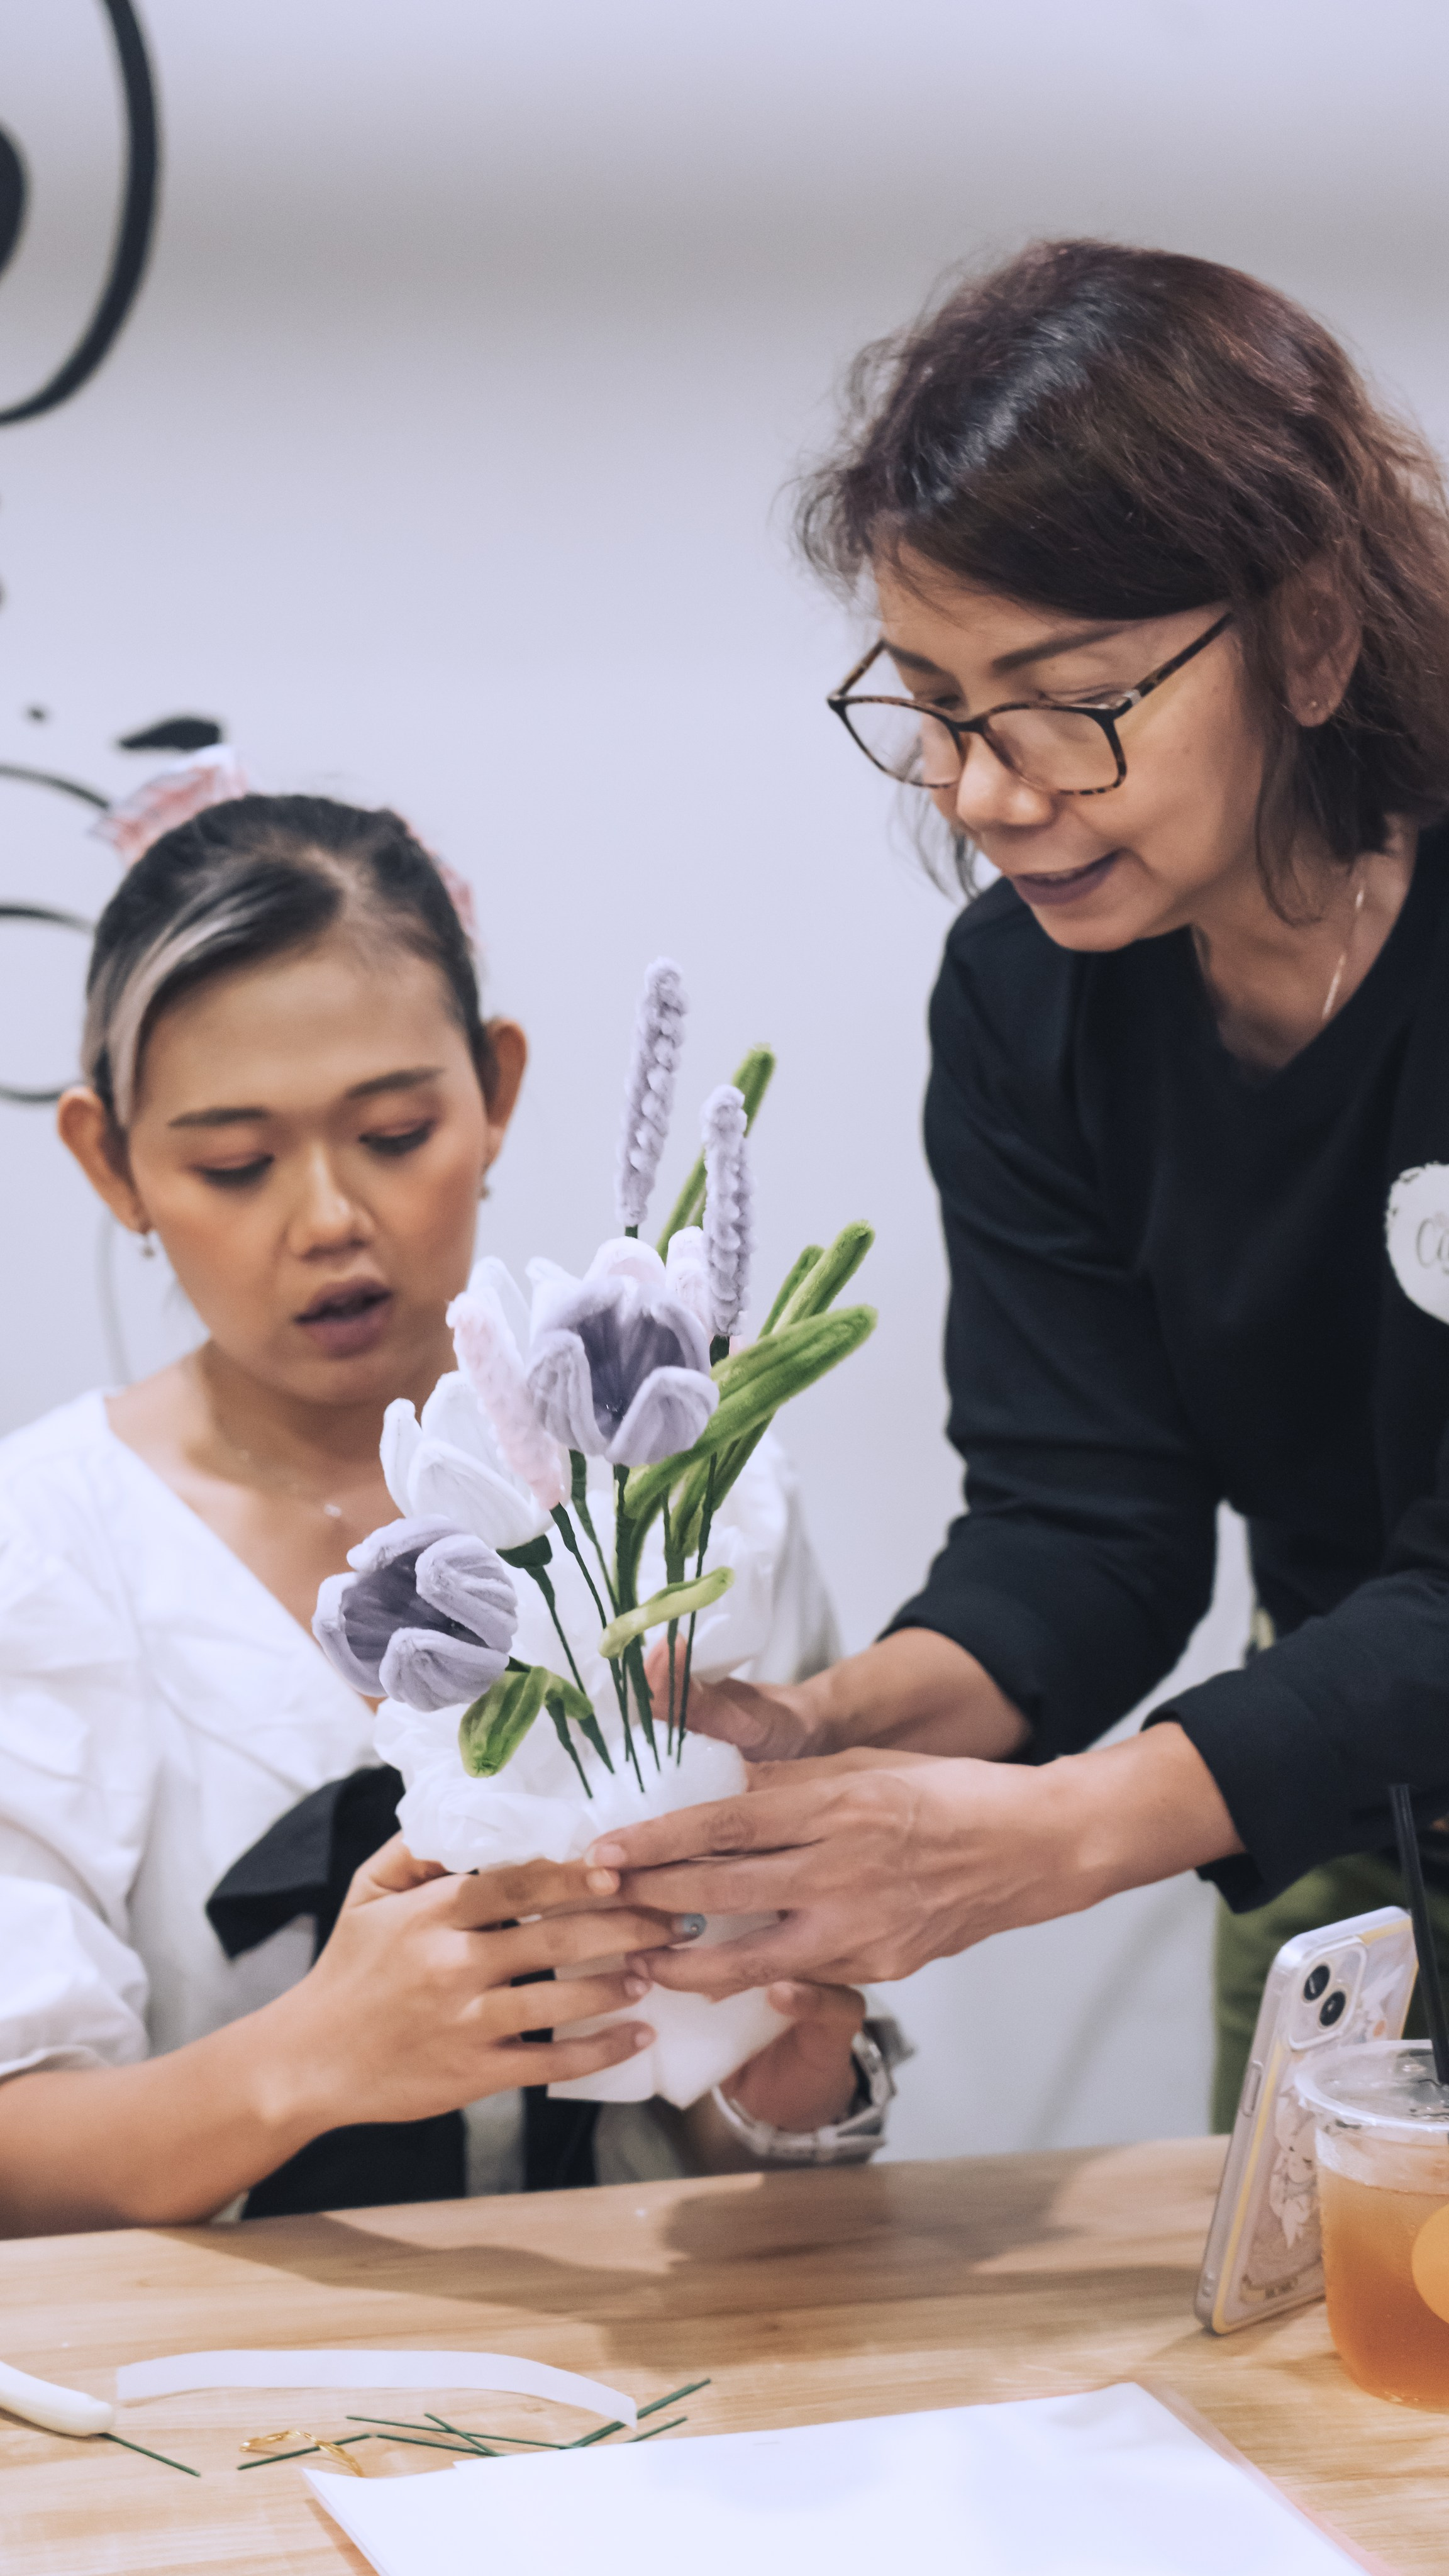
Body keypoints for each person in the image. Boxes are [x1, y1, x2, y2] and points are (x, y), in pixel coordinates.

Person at [578, 241, 1449, 2125]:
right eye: (935, 704)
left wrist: (1052, 1836)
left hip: (1309, 1747)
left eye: (1068, 701)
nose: (984, 791)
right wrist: (827, 1725)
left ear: (1310, 633)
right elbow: (1087, 1519)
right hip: (1345, 1819)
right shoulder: (1030, 996)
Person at [0, 787, 878, 2237]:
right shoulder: (41, 1548)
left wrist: (776, 2088)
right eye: (234, 1162)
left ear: (496, 1091)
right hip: (206, 2395)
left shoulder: (683, 1503)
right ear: (110, 1161)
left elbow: (763, 2092)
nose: (328, 1215)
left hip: (654, 2364)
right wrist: (306, 2060)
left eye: (397, 1131)